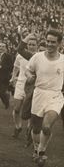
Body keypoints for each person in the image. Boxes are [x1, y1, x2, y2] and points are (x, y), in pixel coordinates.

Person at [25, 29, 64, 167]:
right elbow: (28, 69)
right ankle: (36, 149)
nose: (49, 44)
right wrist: (29, 76)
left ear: (59, 43)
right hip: (39, 94)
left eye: (53, 42)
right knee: (36, 128)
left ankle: (41, 151)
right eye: (48, 41)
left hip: (55, 96)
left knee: (46, 126)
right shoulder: (38, 57)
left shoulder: (63, 60)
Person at [11, 36, 38, 138]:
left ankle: (29, 128)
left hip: (31, 85)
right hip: (20, 83)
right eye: (29, 44)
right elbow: (15, 68)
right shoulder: (20, 56)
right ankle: (18, 126)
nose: (31, 46)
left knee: (30, 109)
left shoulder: (38, 57)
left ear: (37, 46)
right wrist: (13, 78)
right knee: (17, 108)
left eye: (33, 44)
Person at [0, 42, 13, 109]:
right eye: (0, 46)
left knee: (1, 92)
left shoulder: (8, 56)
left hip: (4, 77)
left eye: (3, 46)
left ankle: (6, 103)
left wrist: (2, 67)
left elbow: (11, 66)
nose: (1, 48)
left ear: (6, 48)